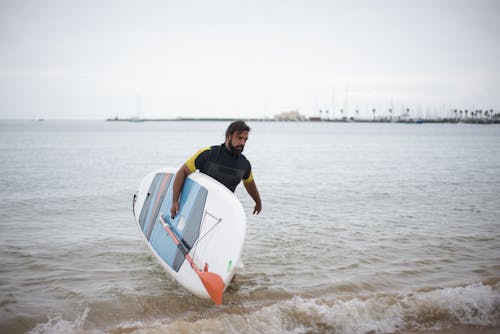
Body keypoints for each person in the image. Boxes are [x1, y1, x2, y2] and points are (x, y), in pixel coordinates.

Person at [170, 120, 262, 218]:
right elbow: (183, 171)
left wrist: (258, 201)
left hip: (222, 212)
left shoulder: (244, 164)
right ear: (228, 136)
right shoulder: (208, 154)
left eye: (245, 139)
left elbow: (249, 183)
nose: (242, 143)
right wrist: (175, 201)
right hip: (200, 208)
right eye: (239, 138)